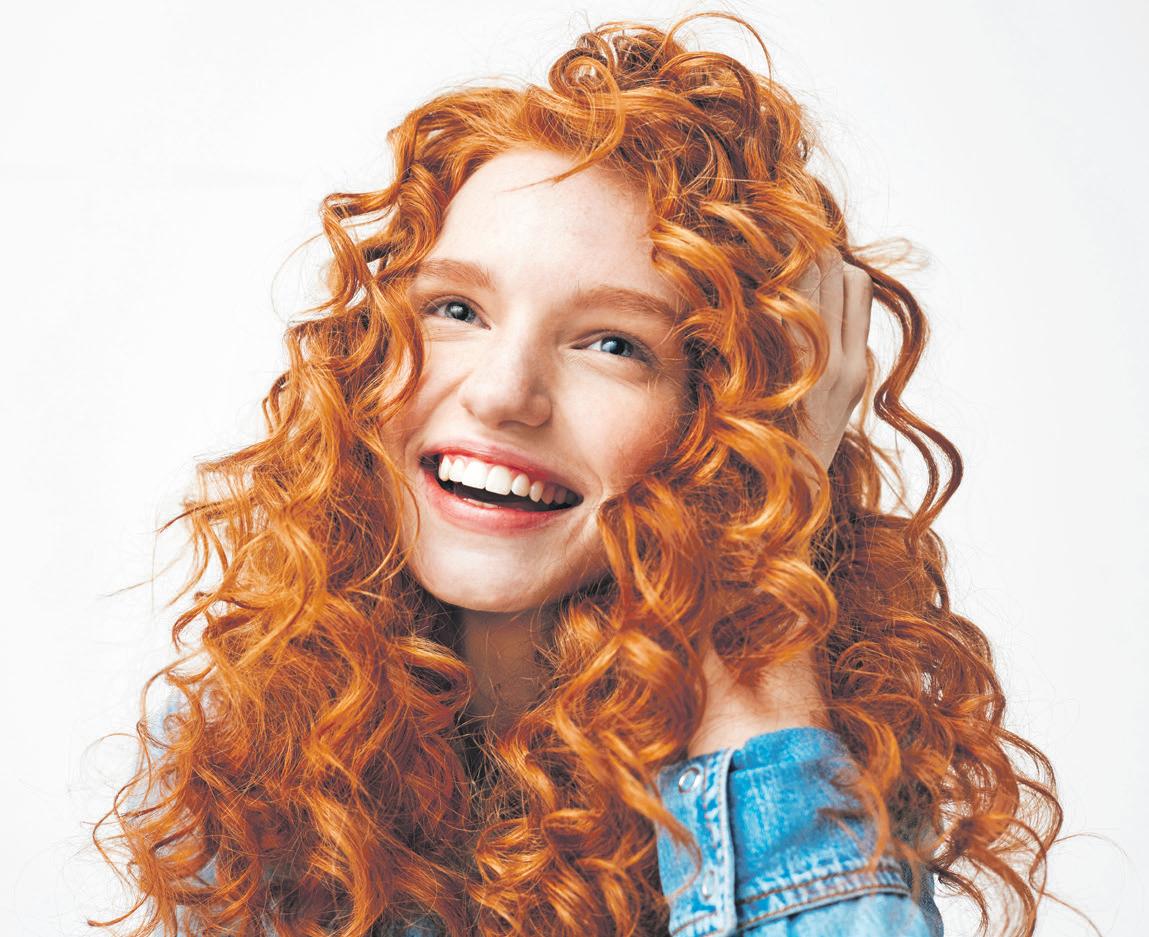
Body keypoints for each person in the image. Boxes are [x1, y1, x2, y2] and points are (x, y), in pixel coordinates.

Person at [90, 12, 1070, 937]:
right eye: (456, 310)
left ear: (722, 418)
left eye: (611, 343)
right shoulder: (242, 750)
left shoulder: (816, 772)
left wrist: (755, 632)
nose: (502, 393)